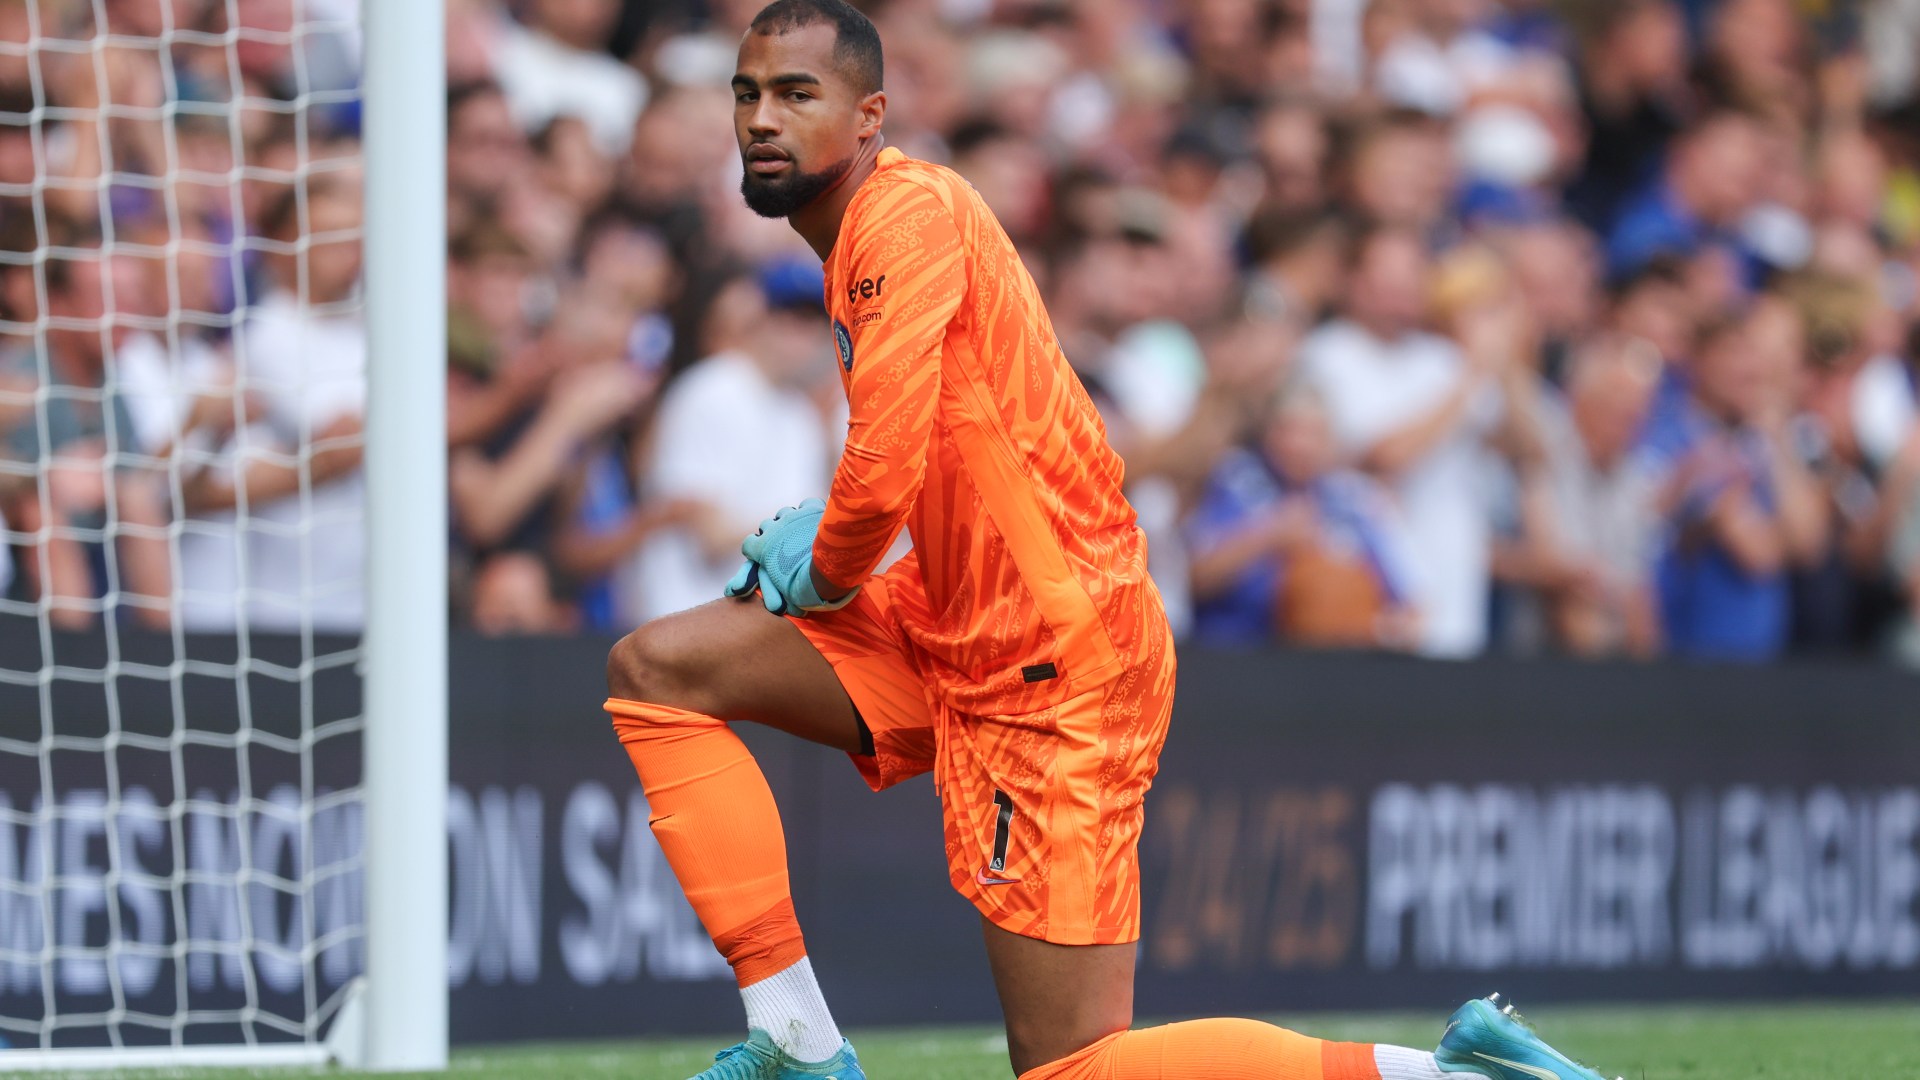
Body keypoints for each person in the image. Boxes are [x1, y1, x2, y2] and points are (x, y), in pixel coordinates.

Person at [601, 4, 1621, 1080]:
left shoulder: (901, 215)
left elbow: (888, 459)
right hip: (962, 615)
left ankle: (1455, 1076)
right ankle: (797, 1040)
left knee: (1075, 1067)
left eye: (796, 93)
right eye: (747, 94)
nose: (762, 118)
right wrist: (851, 548)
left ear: (869, 117)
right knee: (660, 673)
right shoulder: (875, 234)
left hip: (1051, 657)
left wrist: (827, 564)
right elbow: (934, 454)